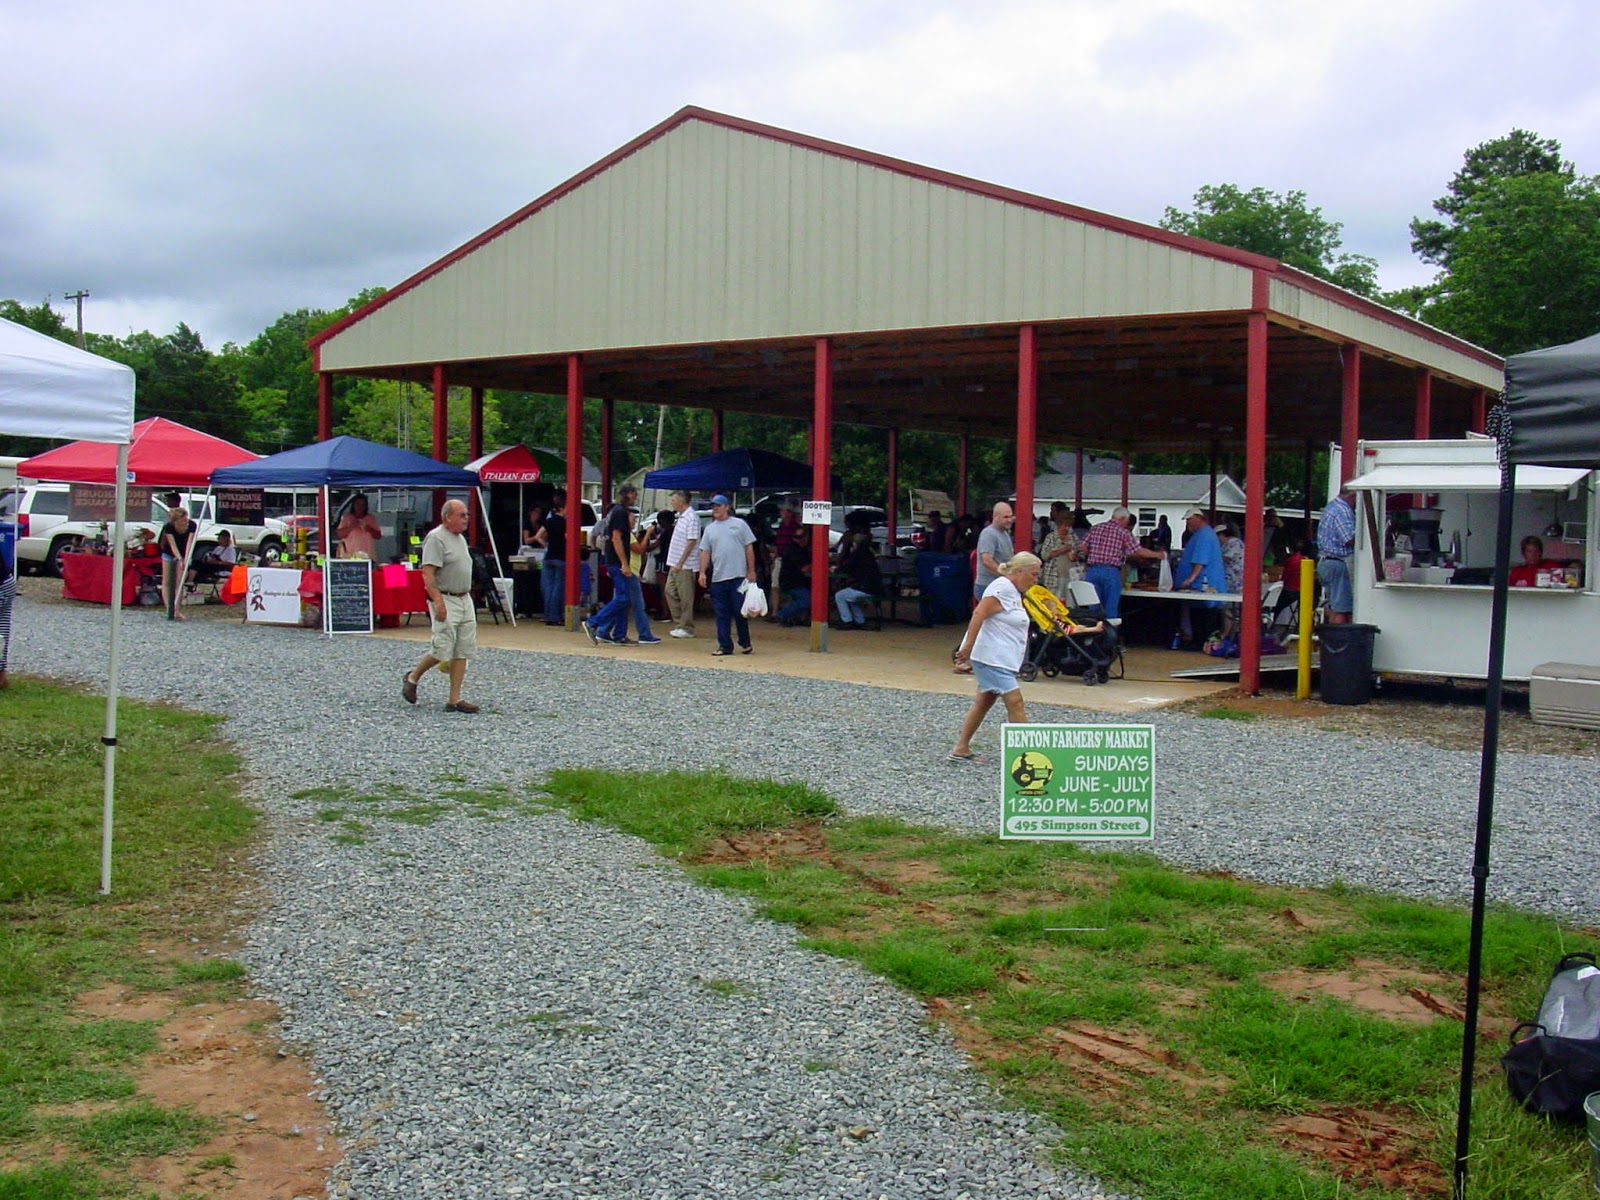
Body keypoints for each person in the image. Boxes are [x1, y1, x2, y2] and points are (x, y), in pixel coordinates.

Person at [949, 552, 1042, 763]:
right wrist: (968, 647)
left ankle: (961, 747)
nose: (1035, 579)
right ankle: (1028, 756)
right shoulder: (1002, 588)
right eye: (1033, 574)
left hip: (1001, 658)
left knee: (984, 701)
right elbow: (979, 614)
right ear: (1019, 572)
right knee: (1015, 701)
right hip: (992, 658)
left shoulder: (1012, 591)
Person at [400, 499, 479, 713]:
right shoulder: (436, 538)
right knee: (442, 648)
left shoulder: (460, 538)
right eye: (461, 515)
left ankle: (454, 699)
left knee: (463, 649)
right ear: (447, 517)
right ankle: (413, 677)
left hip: (464, 598)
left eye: (466, 515)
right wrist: (438, 602)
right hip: (446, 597)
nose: (466, 519)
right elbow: (428, 573)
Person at [584, 485, 659, 646]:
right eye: (634, 494)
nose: (635, 497)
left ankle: (618, 634)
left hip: (614, 561)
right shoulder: (620, 513)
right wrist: (624, 563)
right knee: (623, 598)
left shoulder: (614, 512)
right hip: (618, 562)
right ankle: (594, 622)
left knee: (622, 598)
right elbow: (616, 538)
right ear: (629, 494)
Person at [696, 493, 757, 656]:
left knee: (739, 611)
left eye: (718, 505)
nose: (715, 509)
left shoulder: (740, 524)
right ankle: (724, 645)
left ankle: (745, 641)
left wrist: (751, 571)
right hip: (718, 577)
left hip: (738, 575)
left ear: (726, 507)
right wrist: (702, 572)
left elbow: (749, 548)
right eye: (713, 506)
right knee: (721, 613)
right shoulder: (709, 528)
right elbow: (705, 551)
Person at [1080, 506, 1163, 619]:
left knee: (1093, 608)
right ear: (1123, 518)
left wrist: (1094, 553)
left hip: (1092, 570)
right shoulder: (1123, 532)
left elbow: (1082, 546)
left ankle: (1094, 633)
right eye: (1127, 521)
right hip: (1110, 571)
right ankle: (1110, 634)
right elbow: (1138, 551)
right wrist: (1158, 554)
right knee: (1111, 608)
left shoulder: (1095, 528)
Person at [1174, 507, 1226, 646]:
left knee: (1202, 615)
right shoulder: (1202, 534)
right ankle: (1199, 641)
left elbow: (1200, 560)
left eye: (1190, 520)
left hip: (1204, 584)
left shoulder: (1204, 535)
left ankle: (1200, 643)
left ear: (1199, 518)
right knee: (1199, 613)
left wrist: (1190, 578)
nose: (1188, 523)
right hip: (1201, 584)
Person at [663, 489, 701, 638]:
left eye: (674, 500)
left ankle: (686, 627)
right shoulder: (682, 517)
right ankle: (681, 622)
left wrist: (681, 562)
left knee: (685, 596)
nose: (672, 503)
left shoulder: (691, 518)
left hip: (685, 565)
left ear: (681, 501)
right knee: (670, 591)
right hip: (675, 562)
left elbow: (691, 541)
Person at [1317, 490, 1356, 623]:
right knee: (1341, 609)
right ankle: (1339, 641)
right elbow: (1348, 539)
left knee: (1333, 605)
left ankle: (1329, 640)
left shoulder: (1332, 506)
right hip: (1337, 563)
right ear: (1353, 496)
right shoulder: (1343, 511)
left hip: (1326, 562)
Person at [834, 530, 883, 629]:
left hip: (866, 588)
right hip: (875, 587)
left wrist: (835, 569)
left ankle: (847, 621)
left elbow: (846, 568)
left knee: (839, 595)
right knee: (849, 597)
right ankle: (859, 620)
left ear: (854, 543)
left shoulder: (856, 554)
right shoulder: (869, 554)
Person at [532, 489, 568, 625]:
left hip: (549, 556)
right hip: (561, 557)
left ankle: (548, 614)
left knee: (547, 587)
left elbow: (537, 536)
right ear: (563, 508)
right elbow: (568, 538)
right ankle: (555, 616)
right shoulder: (566, 523)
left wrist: (546, 544)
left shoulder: (550, 521)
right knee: (558, 589)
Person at [157, 505, 197, 621]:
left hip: (184, 552)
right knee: (167, 581)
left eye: (186, 519)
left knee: (179, 582)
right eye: (183, 520)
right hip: (169, 553)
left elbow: (190, 542)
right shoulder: (169, 527)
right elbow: (172, 545)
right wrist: (179, 558)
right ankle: (169, 609)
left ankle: (177, 609)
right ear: (176, 521)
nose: (186, 522)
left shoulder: (192, 525)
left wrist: (186, 558)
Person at [974, 502, 1015, 600]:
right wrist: (1007, 575)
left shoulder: (1004, 533)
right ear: (995, 516)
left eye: (1011, 516)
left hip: (1000, 585)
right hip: (988, 586)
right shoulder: (988, 534)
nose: (1009, 520)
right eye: (1005, 517)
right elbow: (987, 561)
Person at [1037, 502, 1079, 597]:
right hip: (1053, 577)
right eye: (1064, 526)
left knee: (1070, 603)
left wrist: (1075, 556)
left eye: (1069, 526)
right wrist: (1063, 549)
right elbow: (1044, 555)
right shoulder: (1051, 537)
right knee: (1054, 602)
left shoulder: (1074, 537)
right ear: (1059, 524)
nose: (1067, 528)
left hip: (1071, 576)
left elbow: (1081, 555)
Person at [775, 525, 813, 625]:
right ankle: (782, 614)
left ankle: (797, 618)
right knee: (808, 600)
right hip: (792, 583)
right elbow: (804, 568)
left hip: (799, 582)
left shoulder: (801, 549)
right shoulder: (794, 550)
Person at [337, 494, 382, 559]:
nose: (360, 507)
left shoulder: (370, 518)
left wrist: (369, 529)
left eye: (363, 505)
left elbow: (378, 536)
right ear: (353, 505)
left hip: (367, 555)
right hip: (349, 556)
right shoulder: (347, 517)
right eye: (358, 504)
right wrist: (351, 527)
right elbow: (339, 534)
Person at [0, 546, 14, 689]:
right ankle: (1, 677)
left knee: (0, 634)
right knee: (1, 632)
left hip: (2, 586)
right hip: (6, 582)